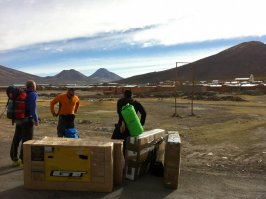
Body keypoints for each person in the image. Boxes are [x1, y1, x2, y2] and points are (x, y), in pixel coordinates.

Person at [10, 80, 39, 167]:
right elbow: (33, 109)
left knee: (16, 139)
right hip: (27, 120)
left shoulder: (20, 93)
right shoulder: (33, 94)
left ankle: (14, 160)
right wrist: (36, 120)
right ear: (33, 86)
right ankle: (24, 161)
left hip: (18, 119)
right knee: (27, 141)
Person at [116, 90, 146, 154]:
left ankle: (122, 159)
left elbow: (118, 112)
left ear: (124, 95)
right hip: (133, 126)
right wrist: (141, 124)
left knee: (121, 145)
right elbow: (144, 113)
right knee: (132, 146)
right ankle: (131, 159)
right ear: (131, 95)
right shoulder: (136, 102)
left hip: (122, 126)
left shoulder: (120, 101)